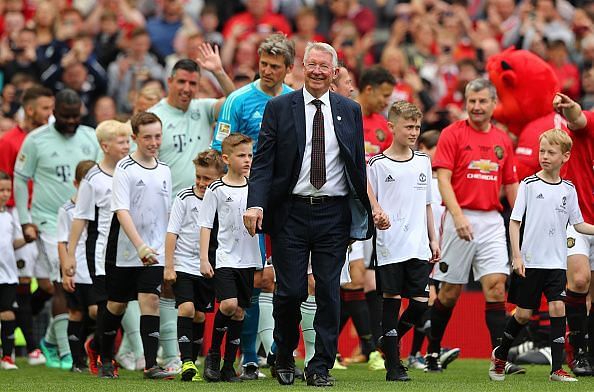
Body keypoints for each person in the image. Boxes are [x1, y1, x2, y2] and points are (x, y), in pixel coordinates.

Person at [243, 42, 376, 387]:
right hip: (290, 212)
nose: (317, 71)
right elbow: (263, 162)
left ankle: (320, 366)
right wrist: (255, 203)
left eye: (324, 66)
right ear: (301, 67)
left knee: (330, 291)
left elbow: (356, 165)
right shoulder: (279, 107)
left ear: (334, 72)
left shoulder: (351, 110)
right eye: (311, 64)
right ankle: (284, 355)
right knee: (289, 292)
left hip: (334, 214)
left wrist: (368, 208)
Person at [211, 32, 295, 380]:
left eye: (275, 66)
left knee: (287, 278)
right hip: (247, 201)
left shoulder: (296, 100)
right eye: (264, 64)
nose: (268, 71)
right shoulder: (238, 100)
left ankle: (278, 352)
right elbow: (220, 149)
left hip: (288, 199)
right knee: (254, 276)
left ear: (289, 68)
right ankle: (247, 357)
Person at [428, 79, 522, 374]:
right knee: (449, 293)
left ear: (494, 104)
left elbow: (510, 183)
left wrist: (522, 219)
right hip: (460, 216)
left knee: (496, 288)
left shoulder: (502, 140)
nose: (477, 107)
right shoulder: (452, 134)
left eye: (483, 101)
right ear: (466, 103)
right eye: (472, 101)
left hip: (492, 220)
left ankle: (499, 360)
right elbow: (443, 179)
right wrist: (456, 216)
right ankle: (432, 353)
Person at [489, 129, 594, 382]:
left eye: (551, 152)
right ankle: (500, 355)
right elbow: (514, 222)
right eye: (542, 151)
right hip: (531, 261)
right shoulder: (528, 184)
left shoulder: (568, 189)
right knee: (523, 314)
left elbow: (579, 225)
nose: (544, 156)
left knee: (559, 307)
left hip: (557, 262)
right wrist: (517, 256)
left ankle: (556, 369)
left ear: (565, 156)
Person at [13, 88, 100, 370]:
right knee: (64, 280)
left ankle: (52, 341)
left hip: (84, 220)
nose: (71, 121)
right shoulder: (36, 140)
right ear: (55, 112)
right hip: (49, 219)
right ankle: (65, 352)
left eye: (76, 116)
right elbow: (20, 178)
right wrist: (26, 219)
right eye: (65, 116)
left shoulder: (90, 137)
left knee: (77, 286)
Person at [367, 101, 440, 382]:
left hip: (419, 243)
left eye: (417, 127)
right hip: (390, 244)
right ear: (391, 127)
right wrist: (376, 211)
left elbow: (428, 204)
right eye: (408, 126)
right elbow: (370, 199)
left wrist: (434, 239)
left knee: (421, 303)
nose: (413, 132)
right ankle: (394, 367)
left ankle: (388, 342)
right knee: (392, 300)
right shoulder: (377, 164)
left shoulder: (423, 160)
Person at [98, 112, 174, 380]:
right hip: (125, 250)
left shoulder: (164, 169)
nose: (154, 142)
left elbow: (166, 214)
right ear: (134, 138)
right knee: (116, 305)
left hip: (153, 251)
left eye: (158, 136)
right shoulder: (125, 169)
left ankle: (151, 364)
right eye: (147, 137)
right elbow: (122, 210)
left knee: (150, 300)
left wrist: (164, 249)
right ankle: (105, 357)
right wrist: (139, 245)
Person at [62, 120, 137, 375]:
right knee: (106, 305)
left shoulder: (132, 170)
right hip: (102, 250)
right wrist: (70, 255)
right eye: (121, 141)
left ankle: (96, 345)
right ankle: (106, 360)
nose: (127, 145)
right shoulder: (93, 178)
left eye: (129, 140)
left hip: (129, 250)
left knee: (121, 305)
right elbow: (80, 217)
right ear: (105, 146)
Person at [198, 134, 261, 383]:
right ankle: (212, 356)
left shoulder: (255, 186)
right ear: (226, 159)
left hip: (249, 258)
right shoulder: (216, 188)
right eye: (241, 155)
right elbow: (205, 224)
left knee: (239, 313)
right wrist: (205, 258)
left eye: (249, 155)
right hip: (225, 257)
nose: (247, 160)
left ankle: (228, 365)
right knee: (228, 305)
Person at [0, 85, 54, 366]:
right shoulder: (9, 141)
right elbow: (5, 182)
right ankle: (30, 346)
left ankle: (27, 335)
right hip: (18, 216)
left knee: (48, 285)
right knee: (19, 281)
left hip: (46, 215)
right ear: (30, 109)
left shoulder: (49, 138)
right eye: (45, 108)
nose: (50, 114)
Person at [163, 149, 225, 382]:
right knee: (186, 309)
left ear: (219, 177)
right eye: (198, 176)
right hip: (184, 263)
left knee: (199, 315)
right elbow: (172, 233)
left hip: (208, 266)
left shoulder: (222, 199)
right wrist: (169, 266)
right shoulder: (184, 197)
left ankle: (195, 359)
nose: (200, 182)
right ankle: (186, 362)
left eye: (206, 179)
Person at [552, 92, 594, 375]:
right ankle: (577, 351)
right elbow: (578, 118)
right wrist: (570, 109)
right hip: (578, 221)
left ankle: (588, 352)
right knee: (579, 280)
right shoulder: (590, 124)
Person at [56, 159, 96, 372]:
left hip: (95, 268)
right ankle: (76, 361)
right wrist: (65, 271)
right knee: (76, 313)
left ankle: (94, 349)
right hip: (76, 269)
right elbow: (62, 242)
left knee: (97, 311)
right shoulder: (68, 210)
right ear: (76, 183)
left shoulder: (99, 207)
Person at [0, 171, 27, 370]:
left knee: (7, 313)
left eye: (8, 190)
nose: (5, 193)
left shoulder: (10, 217)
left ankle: (7, 357)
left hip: (8, 276)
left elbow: (12, 244)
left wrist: (28, 238)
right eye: (1, 190)